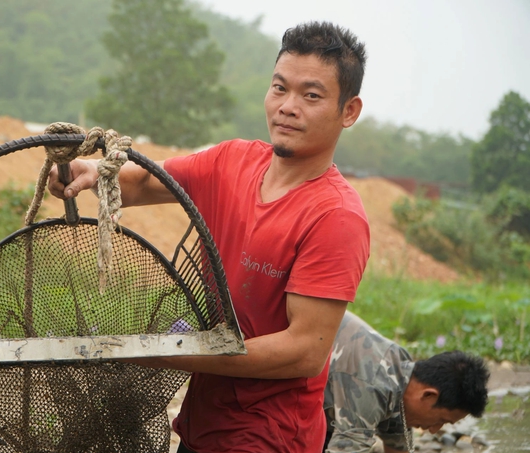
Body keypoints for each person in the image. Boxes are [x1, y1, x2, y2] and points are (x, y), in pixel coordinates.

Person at [49, 21, 370, 453]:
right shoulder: (232, 161)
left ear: (348, 111)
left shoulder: (336, 216)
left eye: (311, 96)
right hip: (202, 422)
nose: (288, 107)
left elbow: (304, 351)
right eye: (279, 88)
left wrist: (161, 351)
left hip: (268, 436)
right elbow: (144, 182)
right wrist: (93, 173)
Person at [323, 311, 490, 453]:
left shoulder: (404, 379)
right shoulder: (373, 385)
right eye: (442, 420)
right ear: (428, 395)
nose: (433, 430)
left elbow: (398, 445)